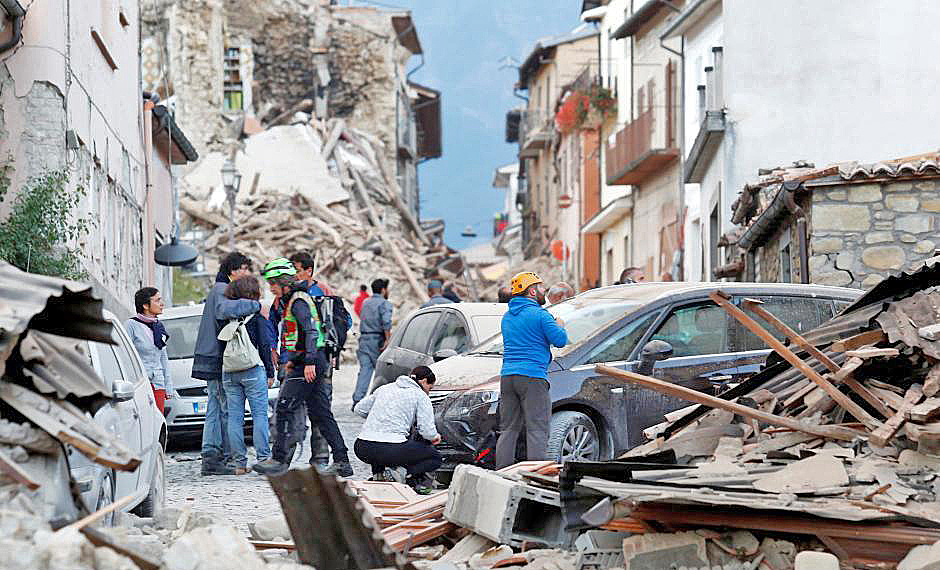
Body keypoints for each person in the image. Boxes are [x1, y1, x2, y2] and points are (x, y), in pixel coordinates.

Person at [254, 259, 353, 477]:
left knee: (284, 408)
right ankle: (343, 461)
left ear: (284, 283)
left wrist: (307, 362)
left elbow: (310, 332)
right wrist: (294, 359)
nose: (271, 288)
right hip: (307, 361)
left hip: (310, 363)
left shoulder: (298, 301)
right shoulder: (294, 299)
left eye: (273, 283)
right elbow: (297, 335)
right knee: (320, 413)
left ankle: (279, 460)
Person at [192, 252, 261, 476]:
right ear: (233, 270)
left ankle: (212, 456)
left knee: (216, 406)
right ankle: (216, 456)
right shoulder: (222, 290)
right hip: (216, 358)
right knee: (221, 410)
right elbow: (224, 310)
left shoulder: (218, 289)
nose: (246, 273)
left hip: (210, 356)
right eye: (243, 268)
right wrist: (256, 305)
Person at [495, 272, 568, 468]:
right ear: (532, 291)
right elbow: (560, 340)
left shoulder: (507, 317)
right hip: (532, 377)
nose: (544, 291)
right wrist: (560, 324)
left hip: (508, 376)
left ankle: (502, 473)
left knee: (508, 429)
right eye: (541, 288)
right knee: (537, 429)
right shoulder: (541, 315)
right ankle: (535, 475)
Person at [354, 366, 442, 494]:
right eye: (430, 387)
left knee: (385, 449)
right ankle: (402, 473)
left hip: (362, 447)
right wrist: (435, 436)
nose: (429, 392)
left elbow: (359, 409)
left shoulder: (385, 388)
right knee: (435, 458)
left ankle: (380, 475)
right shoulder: (420, 396)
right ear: (423, 381)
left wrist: (380, 416)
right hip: (391, 449)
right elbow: (426, 431)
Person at [221, 276, 274, 475]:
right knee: (259, 415)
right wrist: (270, 371)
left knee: (234, 418)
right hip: (253, 370)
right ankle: (263, 459)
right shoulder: (257, 317)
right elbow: (265, 345)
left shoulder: (225, 317)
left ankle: (239, 464)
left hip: (229, 371)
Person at [126, 287, 173, 415]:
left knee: (158, 423)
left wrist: (168, 386)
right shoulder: (131, 325)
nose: (162, 304)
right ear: (145, 305)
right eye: (157, 300)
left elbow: (163, 358)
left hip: (158, 383)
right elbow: (125, 356)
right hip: (140, 383)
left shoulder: (159, 326)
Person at [353, 278, 392, 407]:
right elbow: (386, 322)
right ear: (383, 290)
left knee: (365, 370)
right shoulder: (384, 303)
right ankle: (379, 402)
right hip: (377, 341)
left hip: (364, 339)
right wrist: (388, 339)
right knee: (382, 372)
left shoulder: (366, 302)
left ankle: (357, 400)